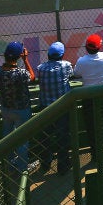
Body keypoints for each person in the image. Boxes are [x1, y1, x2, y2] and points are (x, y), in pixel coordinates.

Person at [72, 33, 103, 161]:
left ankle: (95, 153)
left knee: (91, 125)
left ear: (86, 47)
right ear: (99, 47)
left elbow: (76, 74)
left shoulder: (81, 61)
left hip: (89, 96)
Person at [0, 41, 36, 172]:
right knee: (22, 140)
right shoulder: (20, 73)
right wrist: (26, 60)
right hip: (22, 110)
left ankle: (9, 165)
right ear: (19, 55)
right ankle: (22, 169)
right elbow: (32, 77)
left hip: (6, 109)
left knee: (7, 137)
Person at [36, 41, 74, 175]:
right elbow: (71, 75)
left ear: (48, 55)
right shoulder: (66, 66)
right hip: (62, 108)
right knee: (63, 137)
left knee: (45, 137)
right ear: (62, 55)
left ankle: (45, 164)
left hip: (45, 108)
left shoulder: (40, 68)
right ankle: (63, 166)